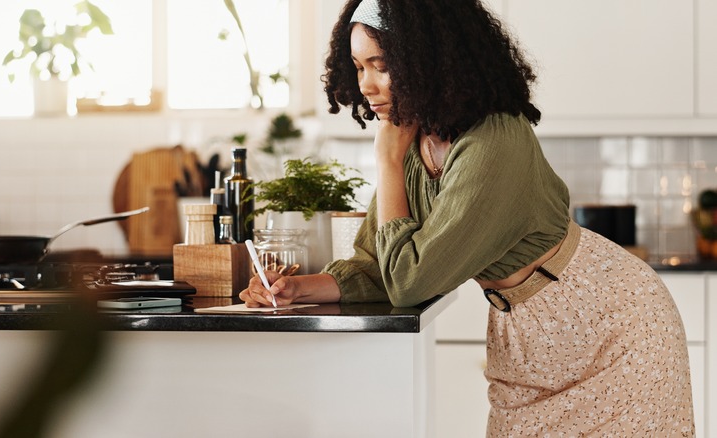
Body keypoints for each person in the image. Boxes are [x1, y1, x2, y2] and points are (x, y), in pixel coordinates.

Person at [240, 0, 695, 435]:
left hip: (612, 328)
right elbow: (380, 261)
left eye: (381, 64)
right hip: (526, 339)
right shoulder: (414, 142)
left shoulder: (494, 139)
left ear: (427, 58)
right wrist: (300, 288)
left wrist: (386, 160)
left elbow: (412, 280)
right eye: (359, 67)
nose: (366, 85)